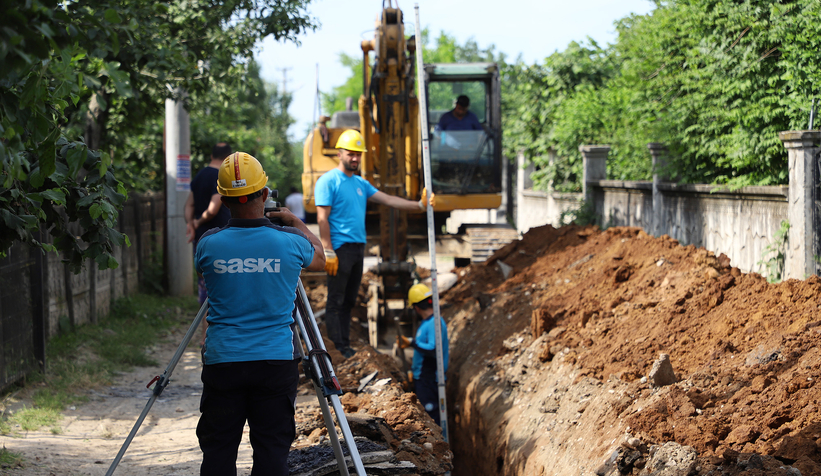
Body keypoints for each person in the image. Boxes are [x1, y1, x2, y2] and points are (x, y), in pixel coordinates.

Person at [195, 152, 325, 475]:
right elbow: (323, 259)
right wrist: (294, 222)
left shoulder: (208, 244)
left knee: (218, 452)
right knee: (271, 453)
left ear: (224, 200)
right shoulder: (292, 243)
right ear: (265, 194)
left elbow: (207, 276)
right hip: (275, 363)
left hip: (223, 361)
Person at [314, 129, 434, 358]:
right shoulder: (328, 181)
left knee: (349, 300)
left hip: (358, 248)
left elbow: (388, 199)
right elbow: (322, 217)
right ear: (339, 153)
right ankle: (337, 348)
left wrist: (419, 205)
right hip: (339, 249)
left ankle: (346, 345)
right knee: (336, 300)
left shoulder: (361, 183)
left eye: (358, 154)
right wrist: (328, 249)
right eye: (351, 153)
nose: (355, 158)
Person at [185, 142, 233, 310]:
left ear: (212, 156)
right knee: (221, 287)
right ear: (227, 158)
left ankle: (204, 334)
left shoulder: (199, 176)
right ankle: (211, 333)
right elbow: (213, 210)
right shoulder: (221, 176)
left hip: (200, 239)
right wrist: (197, 222)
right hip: (219, 237)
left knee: (204, 284)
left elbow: (189, 205)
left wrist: (191, 225)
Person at [398, 283, 449, 423]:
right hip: (424, 377)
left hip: (430, 379)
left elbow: (433, 349)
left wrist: (412, 342)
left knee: (432, 418)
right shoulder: (428, 322)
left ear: (416, 307)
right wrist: (414, 373)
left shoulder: (434, 322)